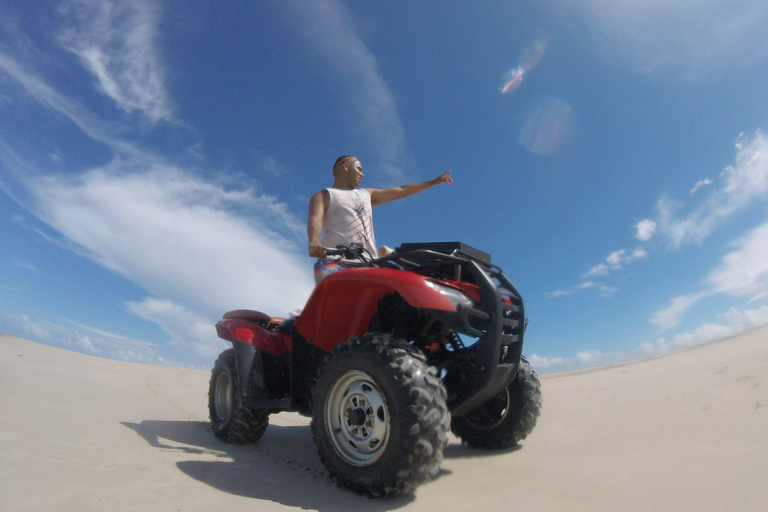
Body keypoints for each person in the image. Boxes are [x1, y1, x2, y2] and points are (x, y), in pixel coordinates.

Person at [308, 155, 453, 284]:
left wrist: (433, 182)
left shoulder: (366, 194)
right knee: (331, 291)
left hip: (366, 263)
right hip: (334, 261)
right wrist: (315, 241)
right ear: (345, 167)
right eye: (359, 169)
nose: (362, 174)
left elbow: (402, 190)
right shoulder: (325, 195)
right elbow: (315, 219)